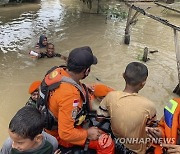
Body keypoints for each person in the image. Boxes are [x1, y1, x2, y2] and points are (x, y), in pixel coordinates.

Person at [43, 46, 115, 153]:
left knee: (94, 90)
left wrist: (83, 86)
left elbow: (66, 85)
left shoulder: (58, 71)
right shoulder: (70, 95)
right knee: (106, 143)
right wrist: (87, 133)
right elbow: (65, 133)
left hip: (52, 119)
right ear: (86, 71)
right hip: (58, 134)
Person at [97, 62, 157, 154]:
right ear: (143, 83)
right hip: (136, 150)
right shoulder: (149, 106)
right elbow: (151, 128)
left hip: (116, 141)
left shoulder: (110, 96)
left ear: (123, 76)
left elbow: (99, 118)